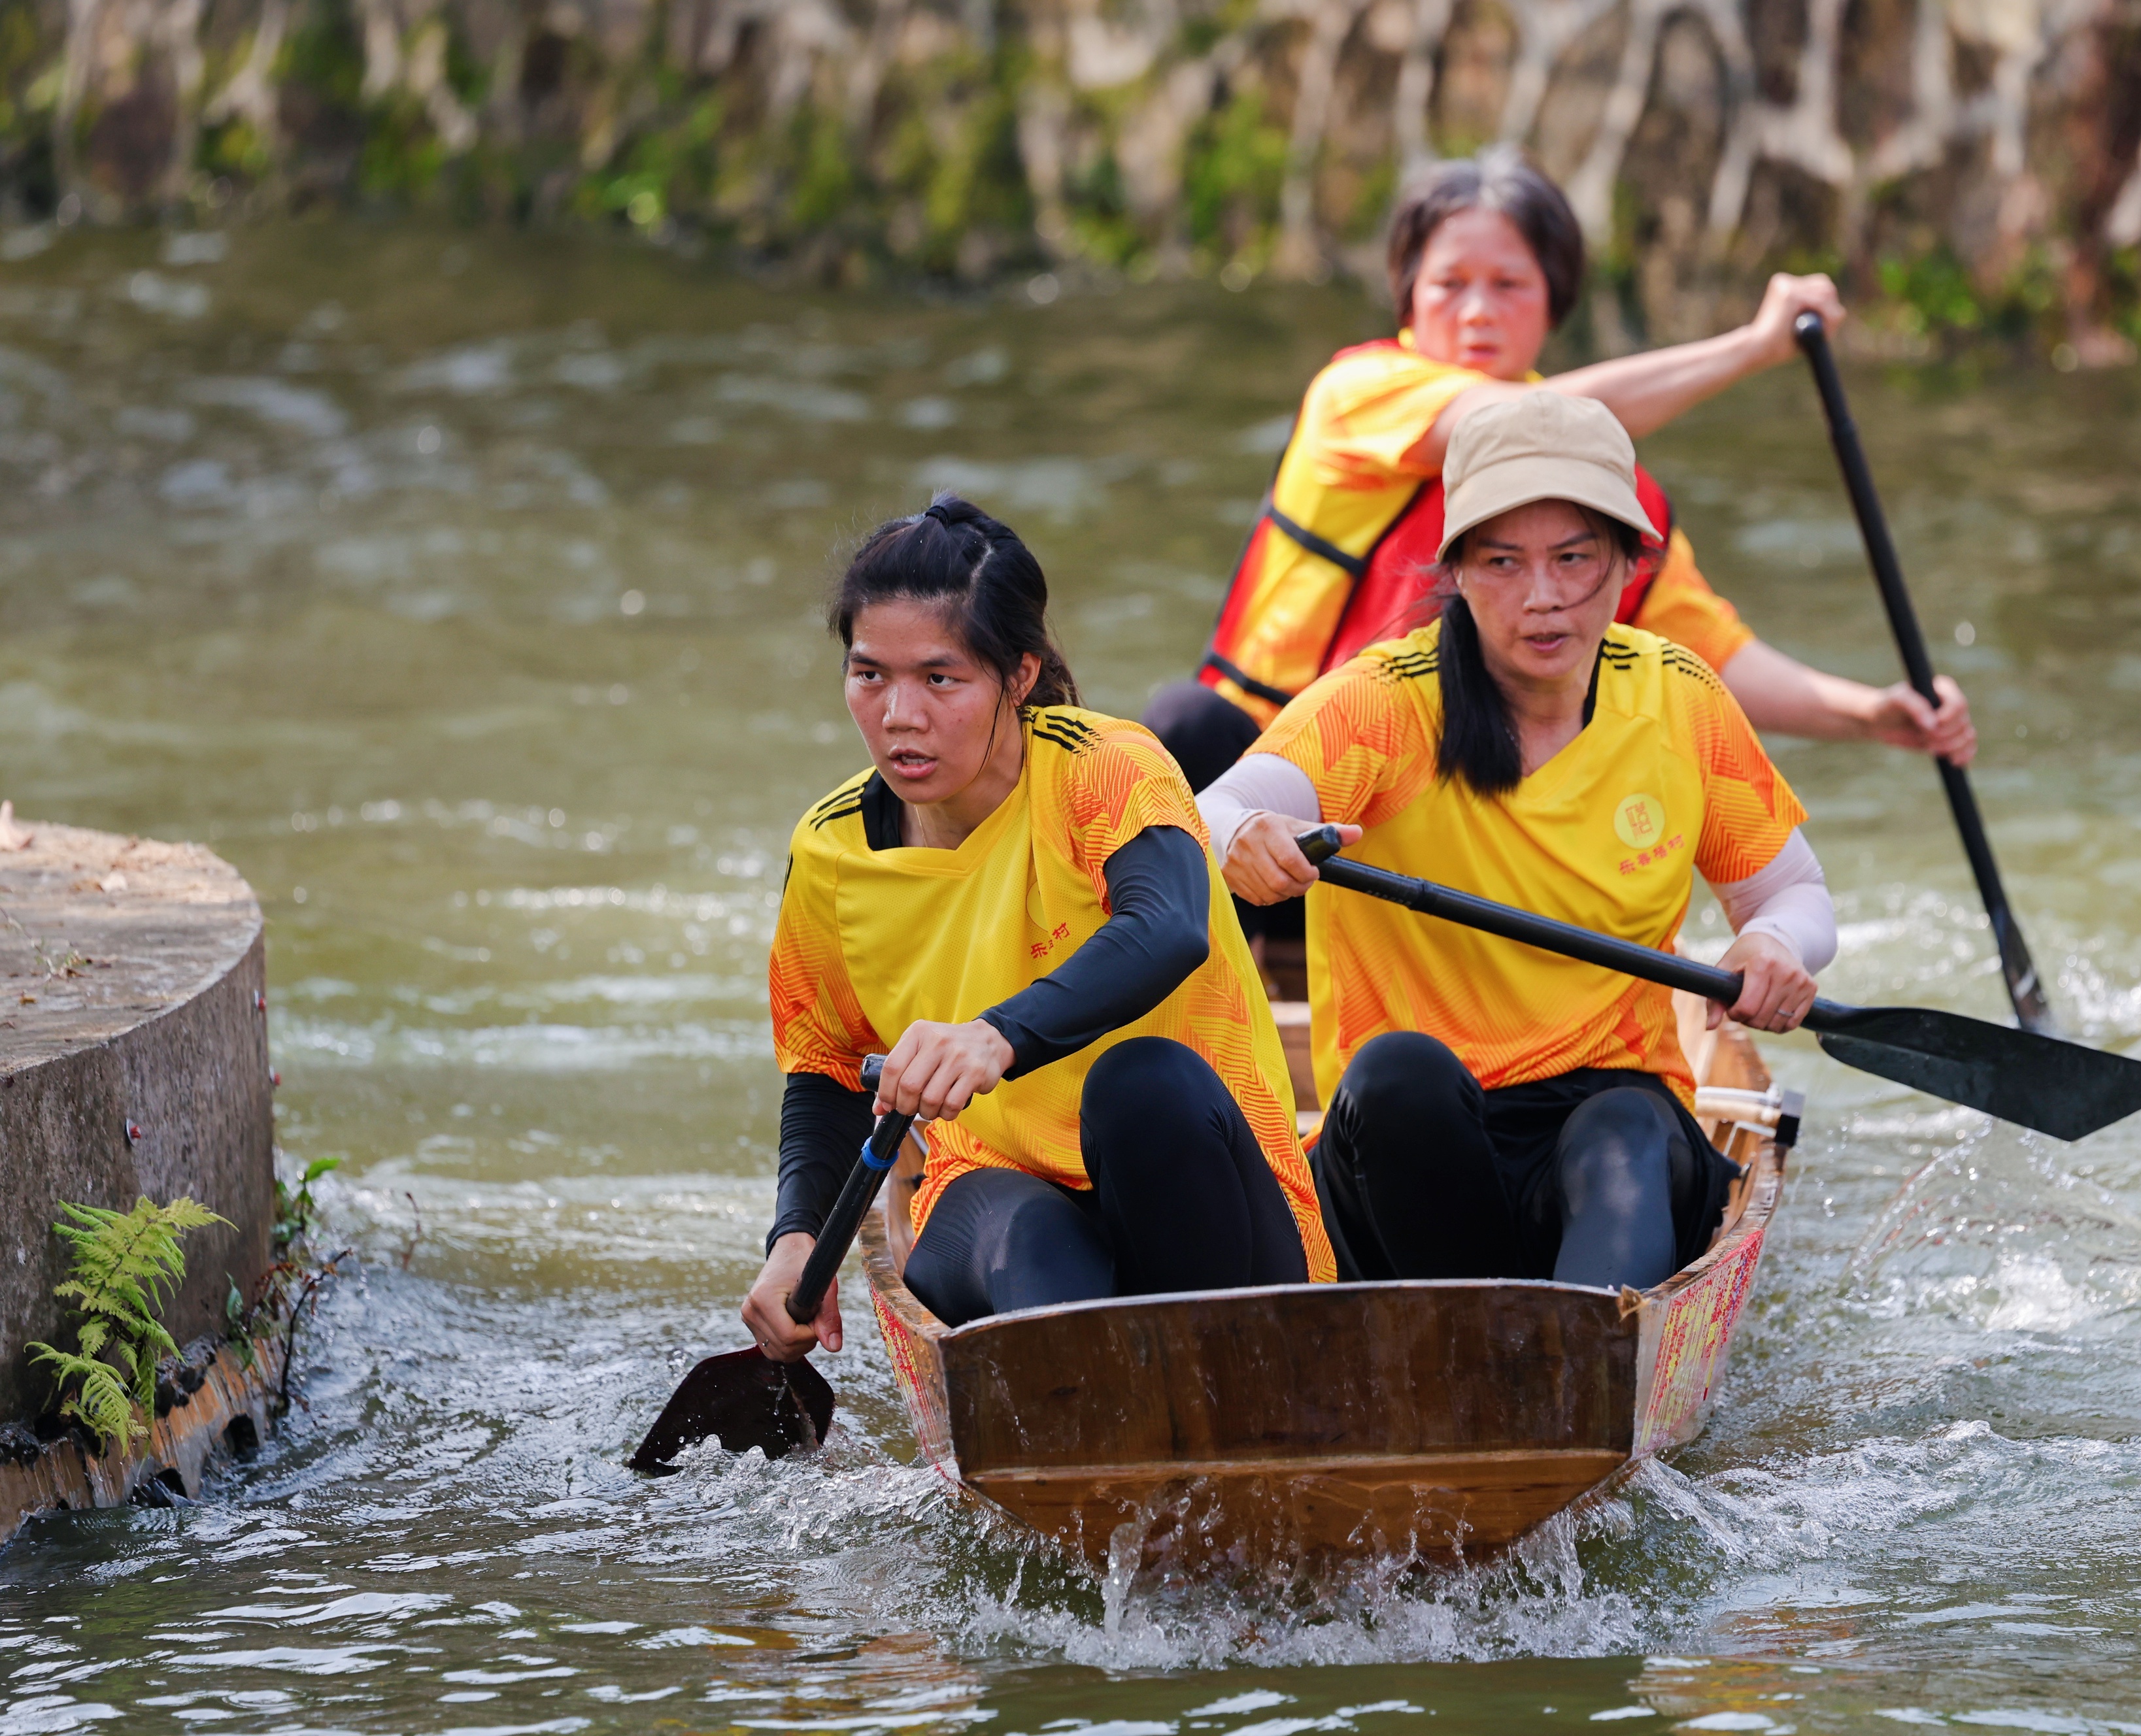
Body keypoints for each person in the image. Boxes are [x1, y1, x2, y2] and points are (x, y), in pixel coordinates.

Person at [1195, 393, 1835, 1291]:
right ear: (1457, 569)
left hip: (1612, 1133)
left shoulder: (1680, 700)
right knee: (1396, 1077)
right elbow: (1210, 809)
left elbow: (1794, 896)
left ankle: (1581, 1361)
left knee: (1625, 1128)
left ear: (1625, 565)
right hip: (1410, 1164)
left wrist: (1772, 944)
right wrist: (1243, 838)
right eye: (1503, 562)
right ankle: (1497, 1343)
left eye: (1573, 558)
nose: (1542, 598)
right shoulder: (1386, 701)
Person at [1145, 146, 1975, 801]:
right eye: (1450, 285)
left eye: (1509, 285)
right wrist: (1752, 349)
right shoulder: (1357, 394)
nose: (1477, 311)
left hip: (1421, 810)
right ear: (1408, 297)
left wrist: (1872, 714)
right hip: (1270, 782)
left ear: (1553, 301)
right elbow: (1511, 426)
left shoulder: (1608, 480)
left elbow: (1712, 653)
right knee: (1181, 722)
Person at [742, 494, 1333, 1352]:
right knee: (1031, 1250)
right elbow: (828, 1067)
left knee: (1142, 1083)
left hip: (1211, 1201)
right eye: (871, 675)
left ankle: (1201, 1381)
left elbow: (1171, 924)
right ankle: (1099, 1400)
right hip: (997, 1199)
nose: (900, 717)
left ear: (1018, 676)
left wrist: (997, 1037)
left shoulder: (1105, 769)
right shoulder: (830, 850)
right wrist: (796, 1238)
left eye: (941, 679)